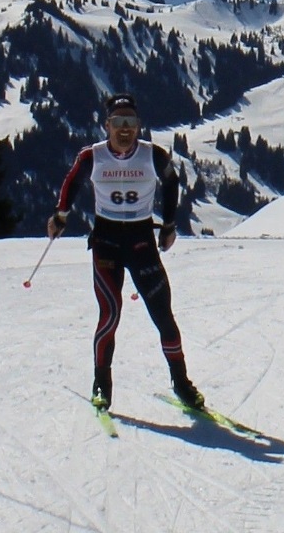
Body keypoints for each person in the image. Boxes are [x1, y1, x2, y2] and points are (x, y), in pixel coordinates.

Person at [47, 92, 203, 412]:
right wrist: (60, 215)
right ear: (107, 125)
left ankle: (182, 383)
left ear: (139, 125)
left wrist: (170, 225)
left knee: (164, 317)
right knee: (110, 314)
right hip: (107, 243)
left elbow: (172, 185)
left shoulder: (154, 155)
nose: (124, 129)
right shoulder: (92, 156)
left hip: (142, 242)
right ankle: (102, 384)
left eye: (130, 122)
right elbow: (71, 182)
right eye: (118, 122)